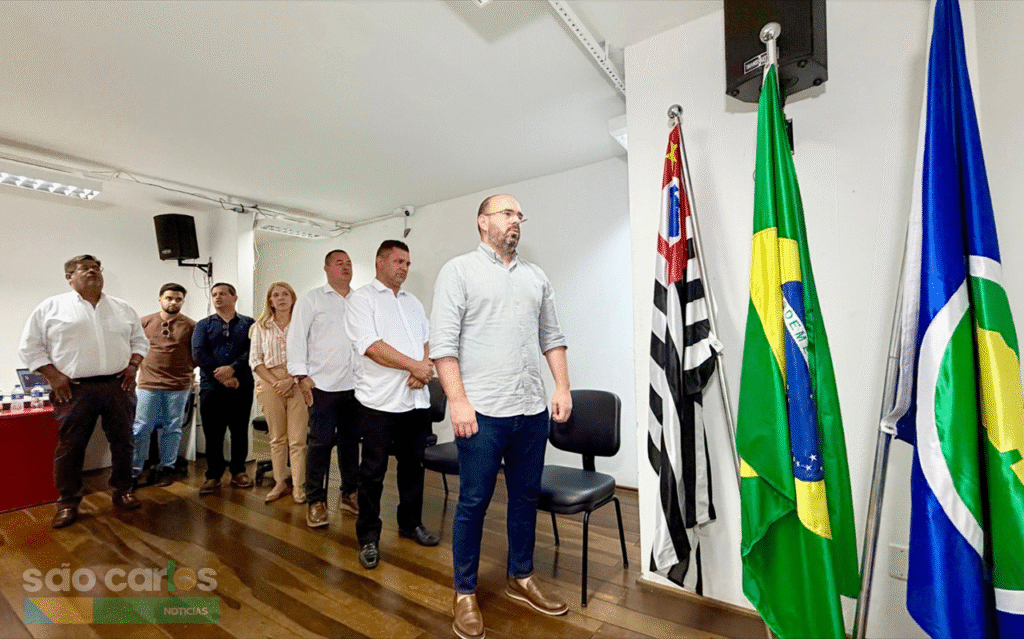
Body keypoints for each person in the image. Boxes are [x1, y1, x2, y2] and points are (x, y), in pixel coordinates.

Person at [430, 194, 572, 639]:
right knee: (473, 501)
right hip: (482, 413)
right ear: (482, 221)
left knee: (525, 497)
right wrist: (457, 400)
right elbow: (443, 344)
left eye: (519, 216)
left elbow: (552, 336)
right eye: (507, 213)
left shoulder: (536, 277)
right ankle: (465, 592)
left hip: (530, 409)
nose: (516, 221)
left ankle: (521, 577)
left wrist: (562, 386)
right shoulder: (458, 271)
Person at [19, 255, 148, 528]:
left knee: (124, 441)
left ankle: (123, 490)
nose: (92, 272)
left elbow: (140, 341)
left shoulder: (122, 308)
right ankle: (68, 502)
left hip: (118, 385)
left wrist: (134, 365)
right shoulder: (50, 307)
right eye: (84, 268)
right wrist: (54, 377)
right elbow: (29, 347)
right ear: (69, 277)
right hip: (73, 389)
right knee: (71, 446)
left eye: (96, 268)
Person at [345, 240, 439, 570]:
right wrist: (416, 367)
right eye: (399, 261)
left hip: (415, 399)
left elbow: (427, 340)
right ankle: (369, 537)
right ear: (380, 261)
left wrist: (424, 368)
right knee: (372, 473)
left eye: (408, 263)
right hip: (379, 401)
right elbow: (372, 347)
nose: (404, 268)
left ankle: (410, 524)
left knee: (413, 467)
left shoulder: (413, 302)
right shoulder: (362, 299)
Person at [287, 249, 360, 529]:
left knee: (350, 444)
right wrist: (301, 376)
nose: (346, 267)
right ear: (327, 268)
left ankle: (349, 494)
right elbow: (296, 338)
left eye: (349, 263)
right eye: (339, 263)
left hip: (355, 385)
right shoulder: (312, 299)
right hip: (322, 385)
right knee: (320, 444)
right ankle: (316, 501)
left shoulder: (360, 300)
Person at [191, 283, 255, 495]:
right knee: (213, 433)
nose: (217, 297)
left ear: (234, 297)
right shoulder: (203, 325)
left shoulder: (249, 324)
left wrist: (233, 369)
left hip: (241, 385)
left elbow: (253, 351)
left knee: (239, 430)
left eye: (223, 294)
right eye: (214, 294)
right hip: (211, 387)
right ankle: (213, 475)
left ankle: (238, 471)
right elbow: (199, 353)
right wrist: (221, 376)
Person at [132, 283, 196, 488]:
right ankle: (135, 470)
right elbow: (133, 348)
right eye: (169, 298)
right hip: (148, 384)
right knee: (141, 427)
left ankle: (167, 467)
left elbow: (197, 354)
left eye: (178, 299)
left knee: (172, 427)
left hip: (178, 386)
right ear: (160, 299)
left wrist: (187, 372)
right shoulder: (144, 322)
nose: (173, 302)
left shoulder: (191, 326)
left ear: (183, 301)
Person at [250, 281, 308, 504]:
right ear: (270, 301)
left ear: (293, 299)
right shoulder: (260, 327)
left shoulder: (303, 325)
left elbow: (311, 357)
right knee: (277, 438)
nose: (281, 298)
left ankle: (299, 485)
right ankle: (279, 482)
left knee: (298, 439)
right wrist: (277, 383)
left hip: (298, 381)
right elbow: (255, 361)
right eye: (276, 295)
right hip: (269, 382)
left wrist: (291, 380)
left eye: (285, 294)